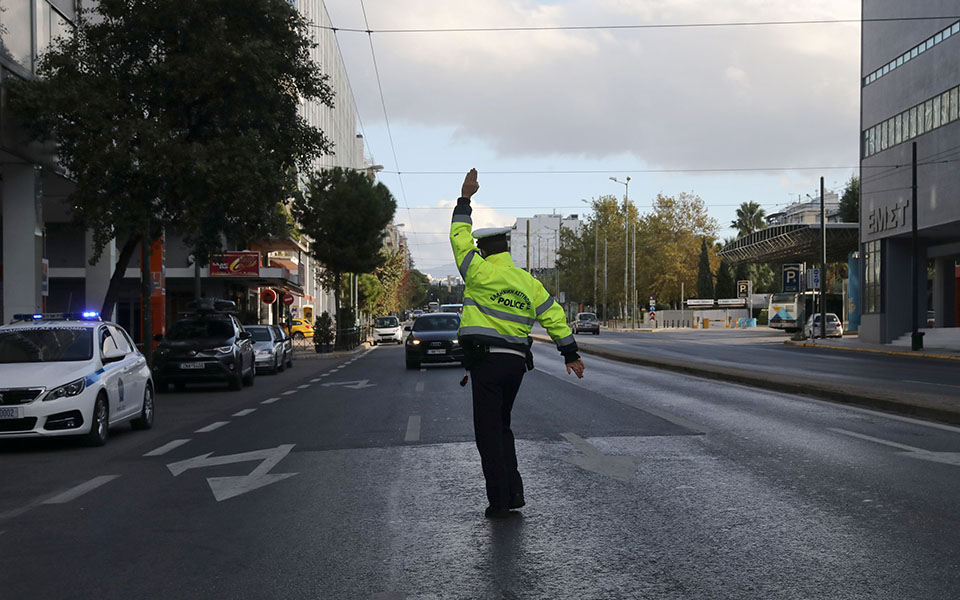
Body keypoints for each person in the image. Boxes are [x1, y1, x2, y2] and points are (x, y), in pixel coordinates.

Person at [450, 168, 586, 519]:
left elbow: (458, 237)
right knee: (503, 428)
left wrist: (465, 198)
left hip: (486, 363)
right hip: (516, 365)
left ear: (483, 249)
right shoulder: (527, 282)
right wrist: (570, 353)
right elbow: (554, 316)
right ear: (507, 248)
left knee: (488, 433)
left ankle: (500, 501)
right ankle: (513, 493)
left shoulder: (477, 271)